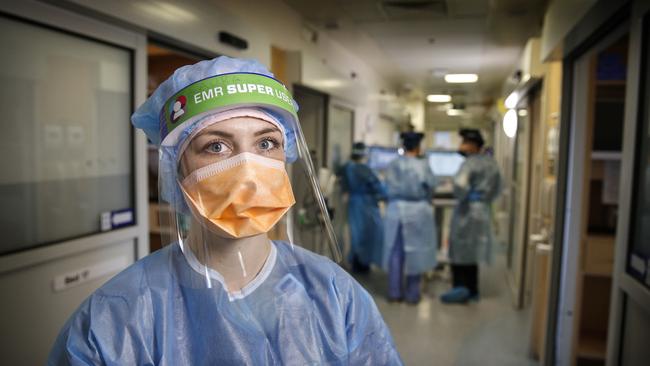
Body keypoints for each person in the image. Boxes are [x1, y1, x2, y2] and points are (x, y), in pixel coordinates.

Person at [47, 56, 402, 365]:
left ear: (287, 153)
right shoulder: (114, 318)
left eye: (266, 143)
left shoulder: (337, 297)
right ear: (177, 170)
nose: (248, 172)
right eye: (216, 146)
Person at [441, 128, 502, 304]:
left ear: (473, 145)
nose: (461, 147)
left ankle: (460, 290)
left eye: (464, 143)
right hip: (482, 210)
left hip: (466, 211)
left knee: (460, 250)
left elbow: (460, 186)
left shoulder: (469, 163)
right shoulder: (491, 163)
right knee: (473, 252)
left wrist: (463, 195)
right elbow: (498, 188)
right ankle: (473, 290)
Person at [383, 132, 438, 304]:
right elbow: (431, 187)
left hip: (396, 211)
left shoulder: (393, 164)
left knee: (396, 252)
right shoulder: (424, 166)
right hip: (418, 212)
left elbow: (388, 187)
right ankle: (413, 295)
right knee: (416, 252)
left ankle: (394, 293)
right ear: (418, 147)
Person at [339, 142, 387, 273]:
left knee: (356, 235)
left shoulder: (347, 168)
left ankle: (356, 264)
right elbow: (380, 189)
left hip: (354, 204)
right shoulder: (366, 170)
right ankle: (363, 265)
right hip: (367, 205)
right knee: (369, 235)